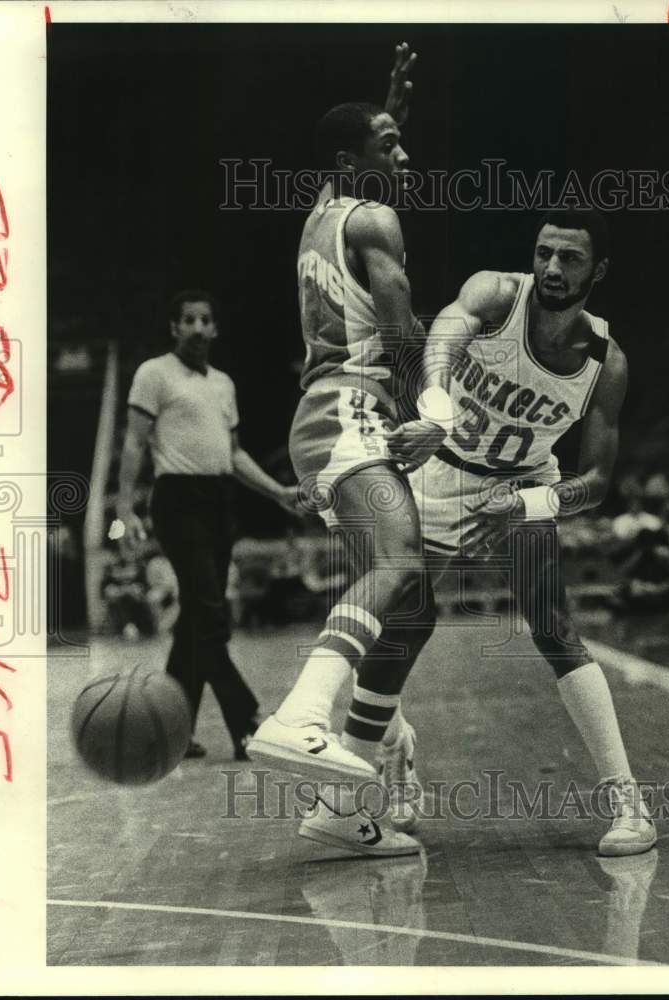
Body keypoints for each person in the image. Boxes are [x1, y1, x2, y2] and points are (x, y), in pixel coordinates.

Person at [388, 208, 657, 856]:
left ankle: (628, 804)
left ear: (598, 270)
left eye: (570, 258)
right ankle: (394, 751)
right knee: (394, 623)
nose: (552, 268)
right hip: (441, 469)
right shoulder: (495, 294)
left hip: (523, 483)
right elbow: (442, 337)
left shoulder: (605, 361)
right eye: (544, 253)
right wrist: (436, 409)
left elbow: (596, 481)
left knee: (554, 627)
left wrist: (530, 504)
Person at [248, 44, 432, 855]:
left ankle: (340, 803)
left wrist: (386, 106)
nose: (404, 155)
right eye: (389, 145)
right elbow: (402, 330)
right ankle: (299, 715)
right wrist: (435, 409)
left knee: (412, 610)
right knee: (399, 561)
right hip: (347, 409)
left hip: (325, 421)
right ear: (350, 163)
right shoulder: (376, 221)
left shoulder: (323, 211)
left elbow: (348, 154)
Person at [114, 289, 299, 760]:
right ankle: (247, 721)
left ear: (215, 328)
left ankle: (170, 732)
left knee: (196, 621)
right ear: (174, 327)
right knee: (211, 618)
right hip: (178, 500)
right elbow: (134, 444)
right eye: (189, 320)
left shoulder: (223, 384)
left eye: (205, 320)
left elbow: (233, 454)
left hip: (219, 502)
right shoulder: (153, 374)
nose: (198, 328)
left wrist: (278, 493)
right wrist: (124, 510)